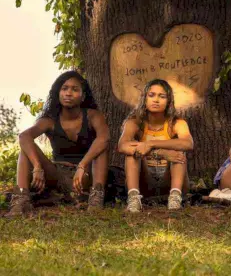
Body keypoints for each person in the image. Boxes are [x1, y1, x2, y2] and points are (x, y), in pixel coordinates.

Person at [5, 71, 110, 216]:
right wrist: (37, 167)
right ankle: (21, 200)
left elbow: (104, 138)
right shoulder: (50, 120)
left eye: (75, 89)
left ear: (83, 95)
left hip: (86, 175)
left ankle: (95, 199)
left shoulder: (93, 115)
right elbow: (24, 136)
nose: (68, 93)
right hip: (58, 175)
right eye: (64, 88)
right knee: (26, 149)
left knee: (101, 148)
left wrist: (82, 165)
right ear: (58, 93)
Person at [118, 79, 193, 212]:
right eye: (151, 95)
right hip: (145, 181)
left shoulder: (176, 123)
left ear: (169, 101)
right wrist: (160, 153)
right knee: (131, 154)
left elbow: (188, 143)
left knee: (179, 153)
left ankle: (175, 198)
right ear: (144, 99)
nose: (156, 100)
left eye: (162, 96)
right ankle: (134, 199)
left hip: (169, 179)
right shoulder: (135, 122)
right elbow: (122, 146)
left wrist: (150, 144)